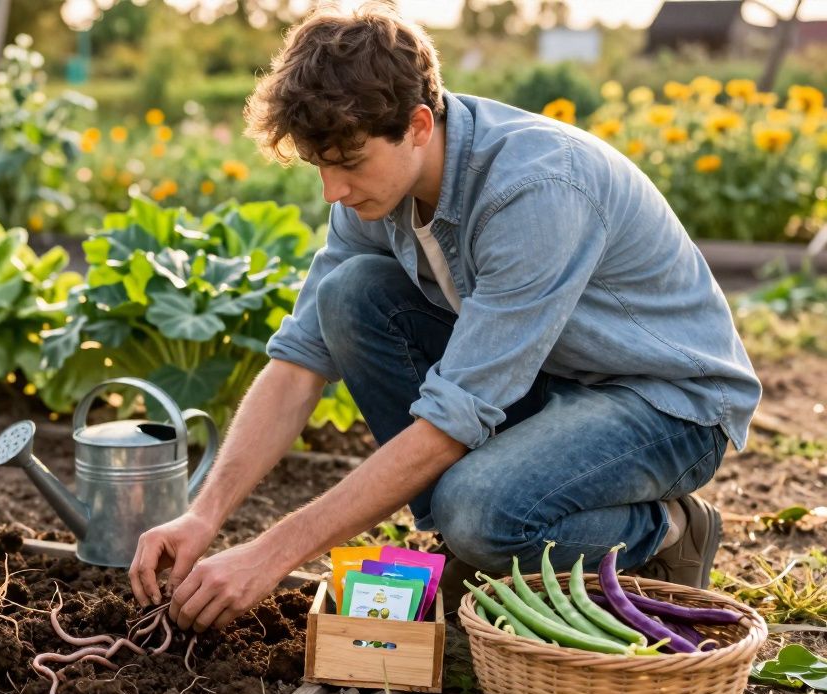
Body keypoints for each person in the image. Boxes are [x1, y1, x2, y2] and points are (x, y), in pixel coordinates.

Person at [126, 4, 761, 633]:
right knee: (348, 294)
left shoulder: (534, 190)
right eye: (321, 166)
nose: (332, 192)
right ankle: (480, 548)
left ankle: (666, 529)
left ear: (420, 124)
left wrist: (271, 553)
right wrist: (202, 516)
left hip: (665, 401)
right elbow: (299, 363)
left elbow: (452, 422)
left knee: (480, 511)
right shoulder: (376, 190)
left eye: (348, 164)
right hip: (554, 379)